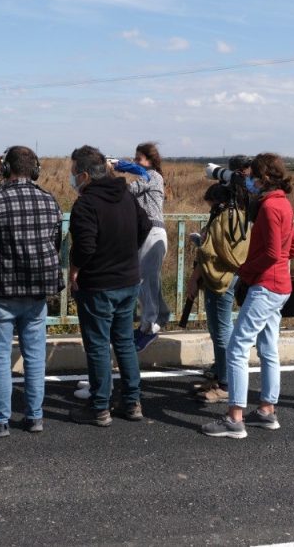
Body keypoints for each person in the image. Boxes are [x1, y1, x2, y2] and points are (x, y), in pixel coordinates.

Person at [201, 153, 294, 439]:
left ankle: (235, 418)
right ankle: (267, 410)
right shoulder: (284, 204)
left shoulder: (269, 208)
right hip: (281, 285)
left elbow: (270, 253)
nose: (250, 182)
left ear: (264, 177)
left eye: (252, 176)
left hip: (265, 286)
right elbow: (289, 250)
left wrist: (245, 272)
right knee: (268, 348)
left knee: (237, 347)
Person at [0, 146, 63, 437]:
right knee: (34, 357)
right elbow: (54, 245)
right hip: (37, 293)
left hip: (1, 291)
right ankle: (34, 418)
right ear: (34, 170)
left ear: (6, 169)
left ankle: (0, 421)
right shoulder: (50, 200)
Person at [68, 145, 151, 426]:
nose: (72, 179)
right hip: (128, 280)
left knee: (99, 346)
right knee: (124, 342)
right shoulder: (125, 195)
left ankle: (100, 407)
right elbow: (146, 225)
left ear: (85, 175)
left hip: (98, 284)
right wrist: (128, 253)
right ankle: (132, 402)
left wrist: (75, 269)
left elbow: (85, 245)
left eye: (73, 174)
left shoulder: (86, 204)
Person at [185, 184, 250, 403]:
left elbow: (210, 252)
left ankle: (226, 384)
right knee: (221, 329)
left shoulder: (223, 218)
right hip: (231, 277)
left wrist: (200, 243)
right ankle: (221, 378)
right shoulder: (241, 217)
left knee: (221, 331)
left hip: (218, 279)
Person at [114, 142, 170, 352]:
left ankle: (149, 328)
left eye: (139, 159)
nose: (136, 162)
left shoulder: (153, 176)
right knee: (148, 281)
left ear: (150, 160)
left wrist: (121, 168)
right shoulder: (149, 177)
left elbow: (131, 189)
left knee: (145, 281)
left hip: (152, 234)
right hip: (147, 234)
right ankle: (157, 317)